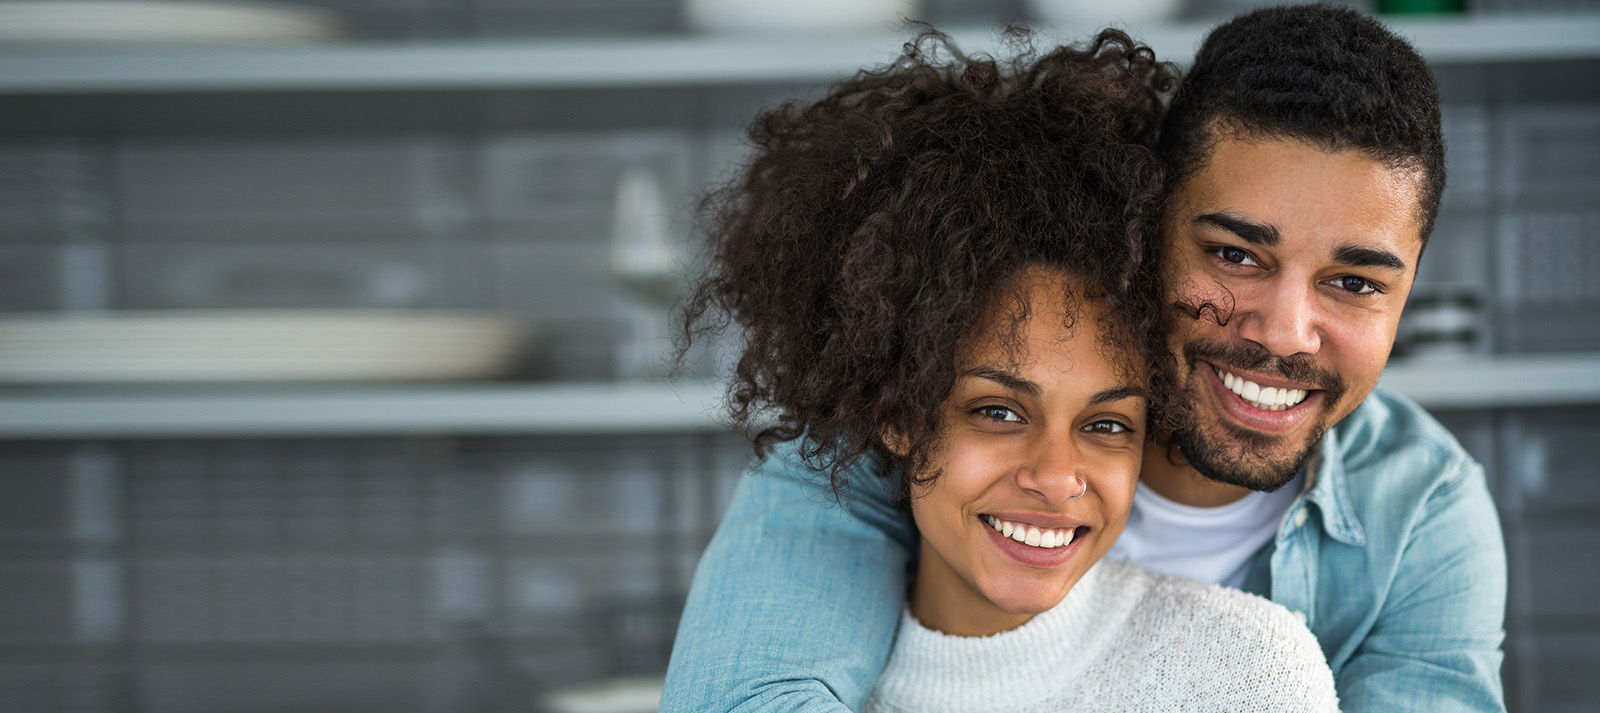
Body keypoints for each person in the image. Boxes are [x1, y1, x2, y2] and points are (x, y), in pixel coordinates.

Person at [663, 5, 1507, 713]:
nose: (1286, 331)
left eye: (1355, 282)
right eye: (1237, 255)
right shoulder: (880, 425)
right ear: (1146, 226)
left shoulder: (1422, 513)